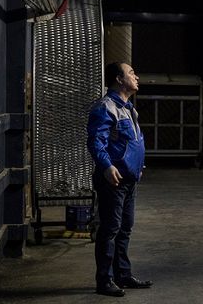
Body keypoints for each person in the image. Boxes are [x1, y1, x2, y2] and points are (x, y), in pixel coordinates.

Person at [87, 62, 152, 297]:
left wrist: (137, 166)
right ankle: (104, 280)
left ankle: (123, 274)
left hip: (129, 179)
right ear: (119, 79)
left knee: (125, 228)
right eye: (131, 72)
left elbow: (132, 141)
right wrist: (106, 167)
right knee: (110, 229)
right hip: (113, 180)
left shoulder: (129, 108)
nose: (136, 76)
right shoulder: (106, 107)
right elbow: (96, 142)